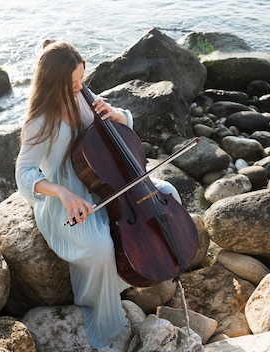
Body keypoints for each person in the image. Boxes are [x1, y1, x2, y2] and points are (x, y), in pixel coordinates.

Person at [15, 40, 182, 349]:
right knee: (98, 245)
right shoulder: (39, 123)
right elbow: (24, 175)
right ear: (53, 84)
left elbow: (118, 134)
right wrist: (62, 193)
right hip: (70, 199)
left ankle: (140, 267)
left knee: (168, 193)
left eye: (82, 80)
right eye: (74, 84)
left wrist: (117, 115)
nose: (81, 89)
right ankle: (100, 306)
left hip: (106, 183)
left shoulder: (85, 99)